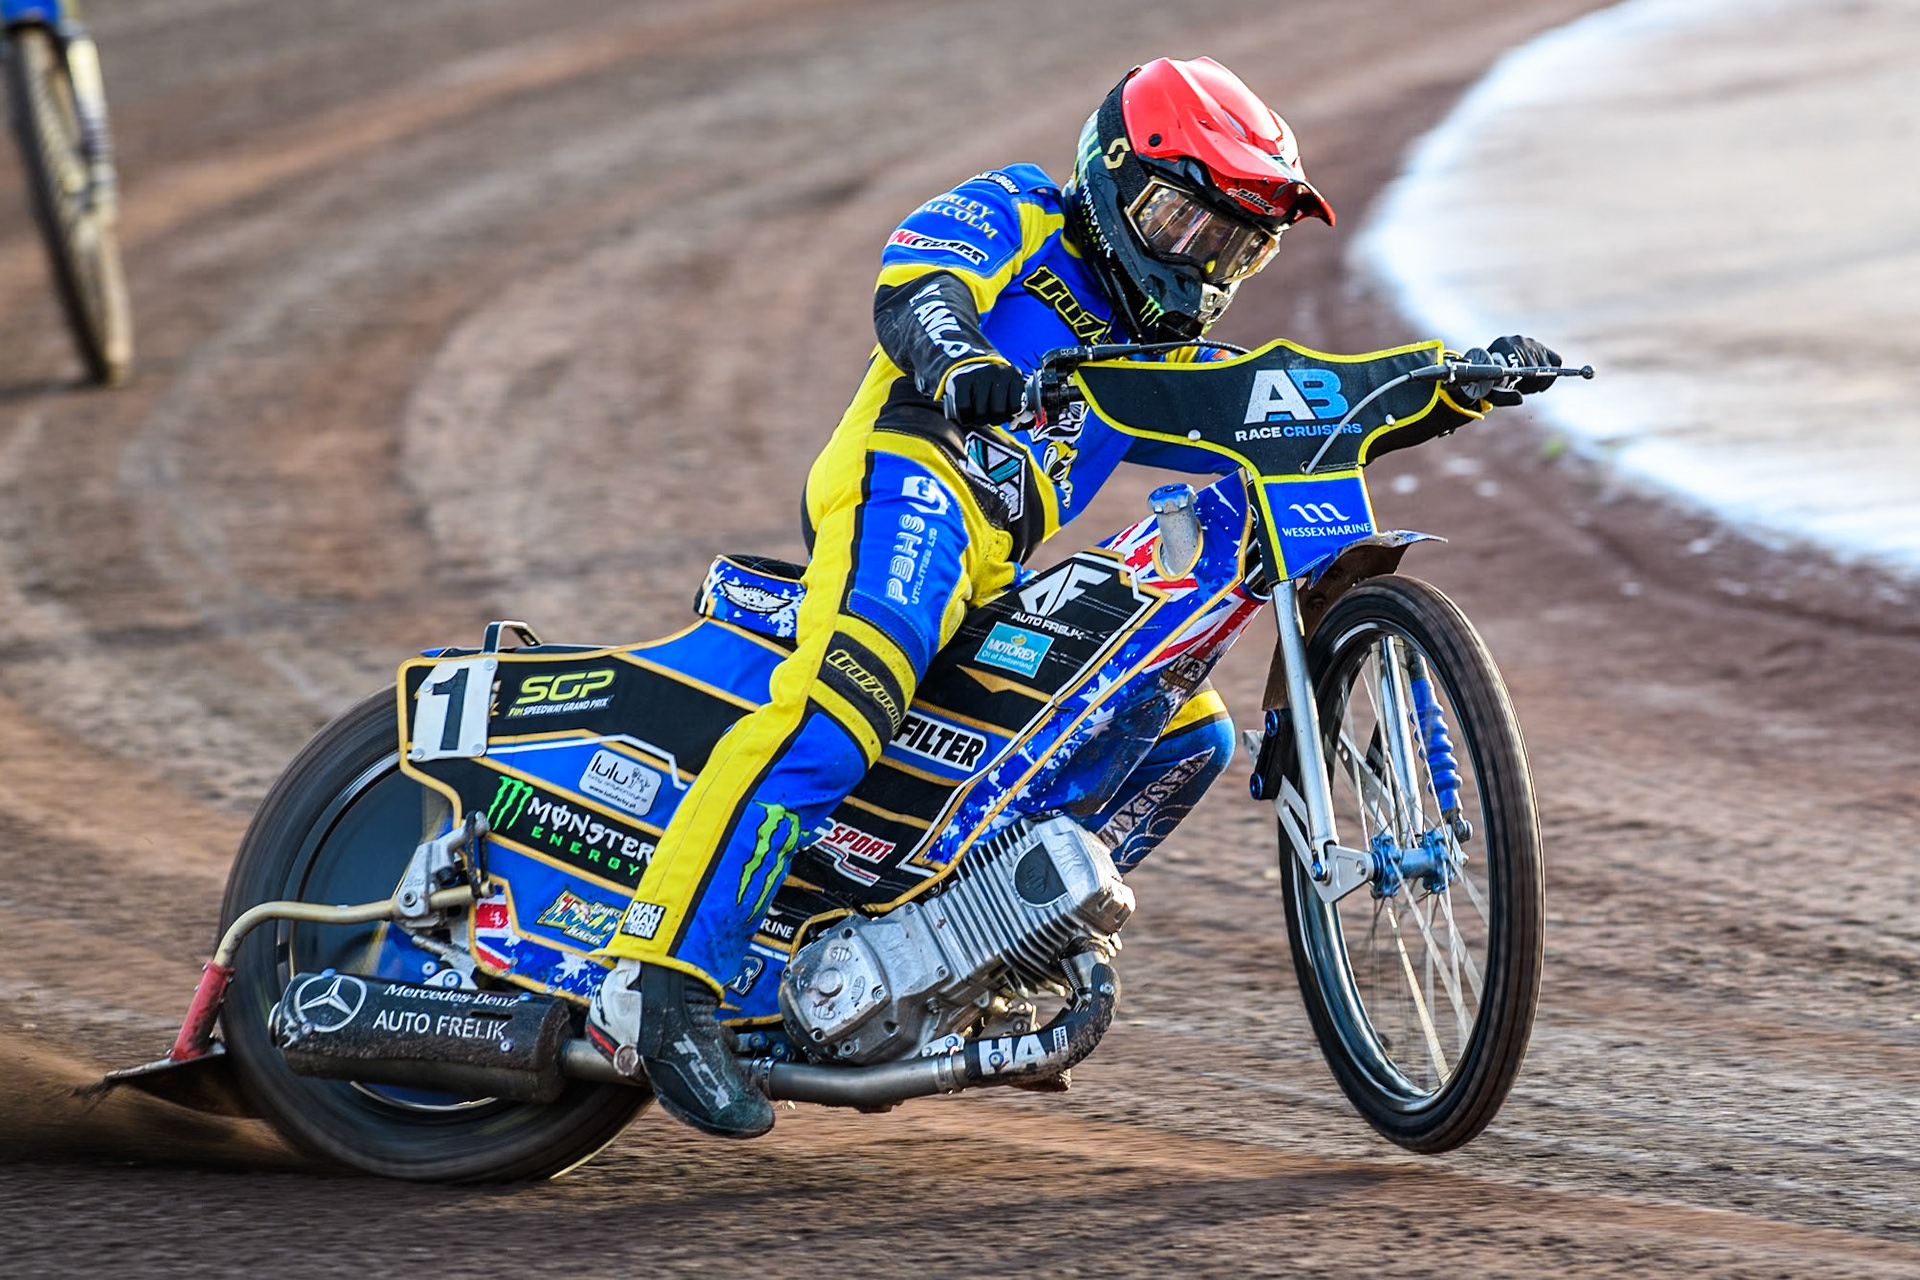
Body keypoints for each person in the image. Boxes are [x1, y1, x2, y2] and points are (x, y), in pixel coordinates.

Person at [588, 56, 1557, 1137]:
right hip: (910, 480)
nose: (1201, 266)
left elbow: (1294, 394)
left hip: (995, 560)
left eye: (1234, 244)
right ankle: (663, 982)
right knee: (841, 708)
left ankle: (990, 947)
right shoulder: (1018, 207)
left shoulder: (1168, 350)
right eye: (1184, 227)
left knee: (1190, 731)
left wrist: (1449, 378)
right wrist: (961, 364)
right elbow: (917, 286)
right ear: (1111, 178)